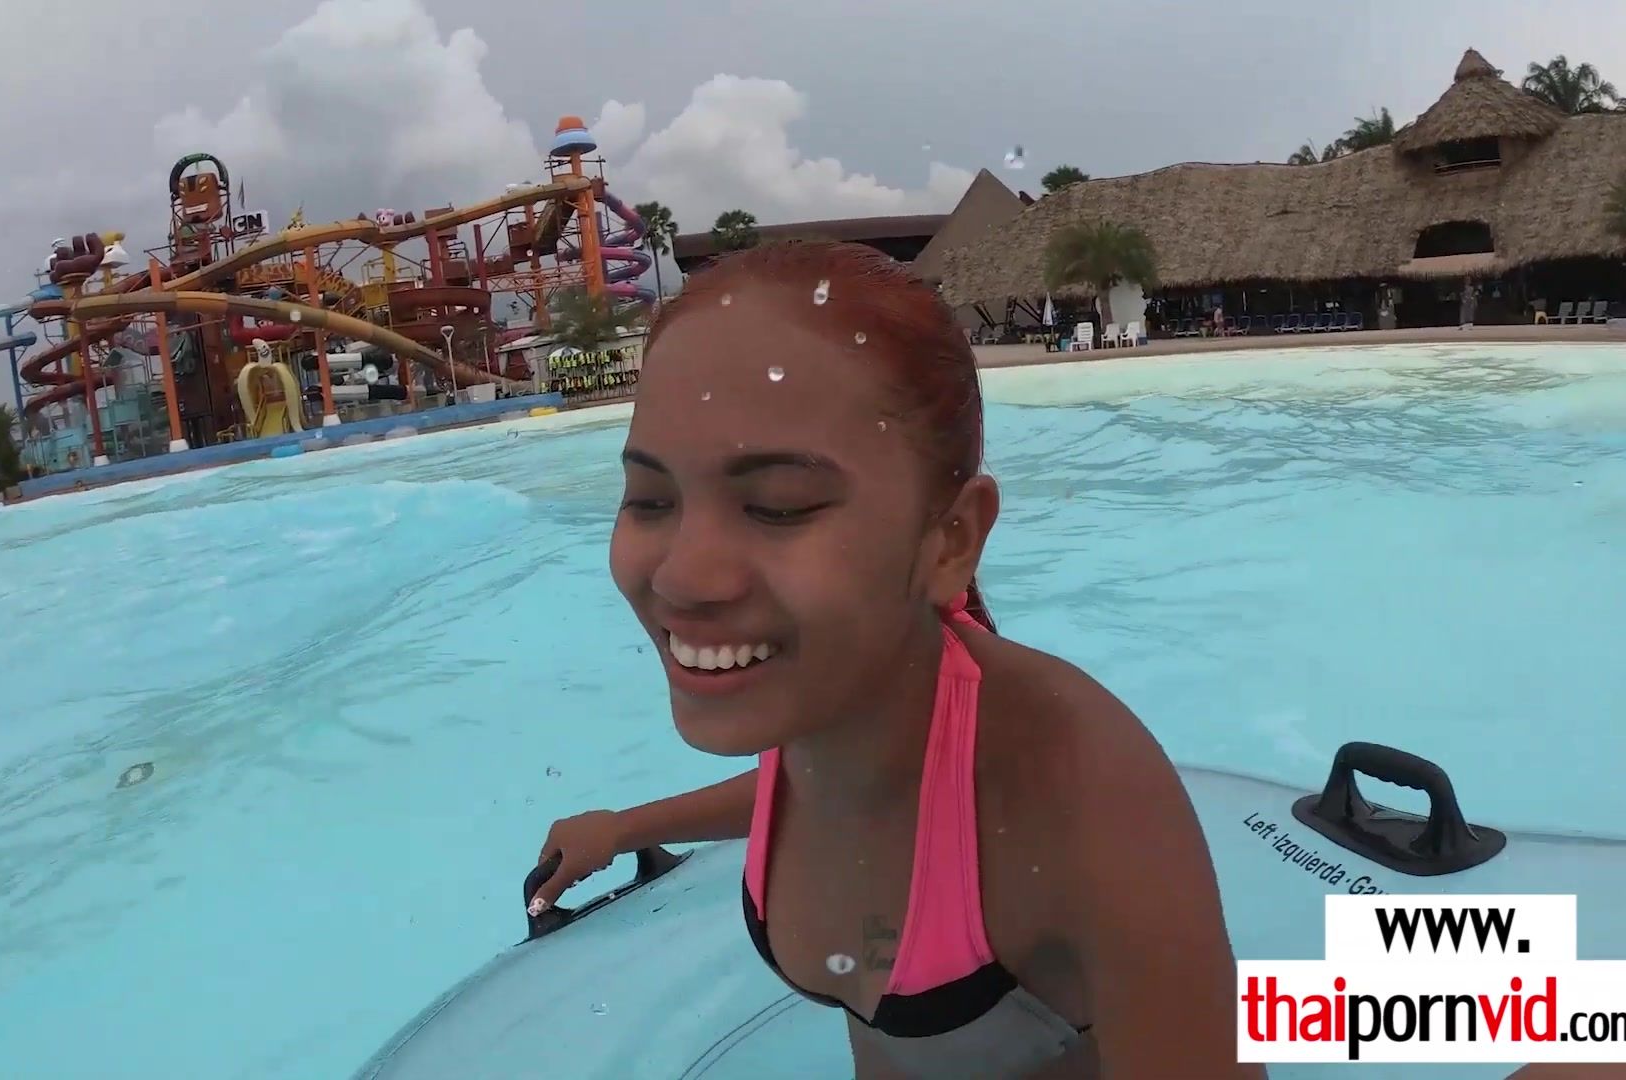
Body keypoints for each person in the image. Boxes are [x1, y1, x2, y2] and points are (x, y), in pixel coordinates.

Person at [530, 240, 1258, 1079]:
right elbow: (807, 793)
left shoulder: (1088, 796)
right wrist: (628, 827)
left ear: (950, 539)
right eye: (651, 499)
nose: (682, 577)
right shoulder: (823, 706)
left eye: (778, 506)